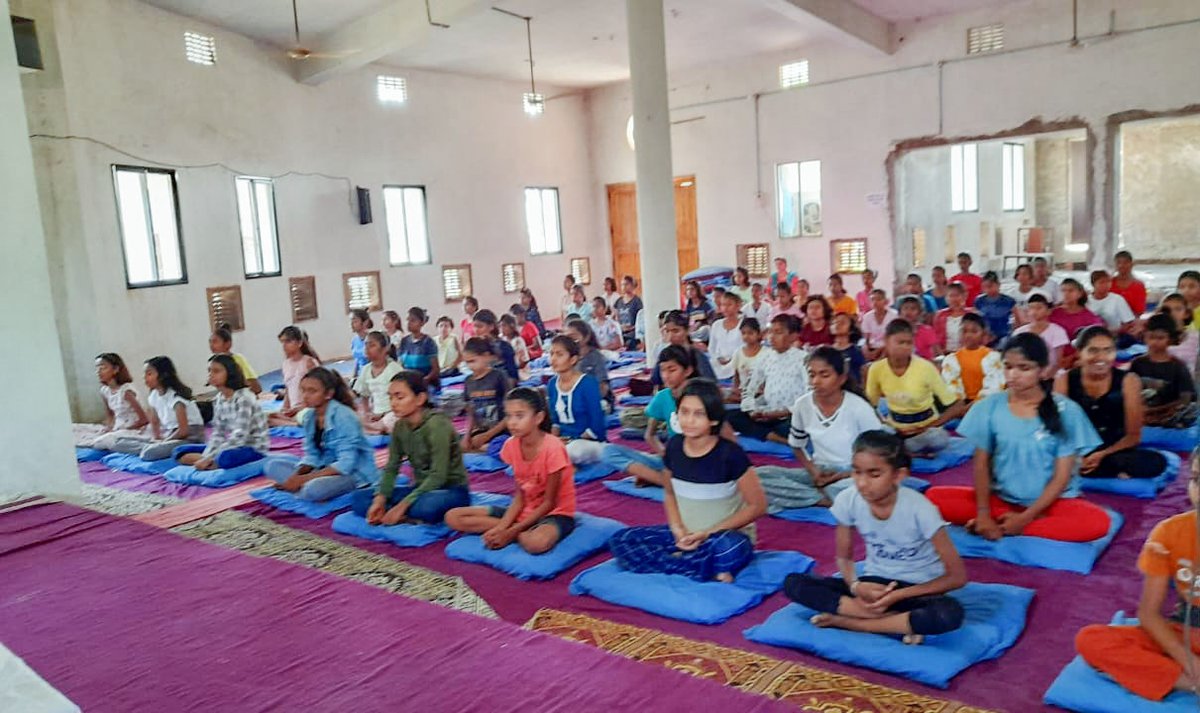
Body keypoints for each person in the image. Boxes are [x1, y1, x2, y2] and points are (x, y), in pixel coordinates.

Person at [783, 430, 967, 643]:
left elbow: (957, 577)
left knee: (948, 613)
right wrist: (855, 586)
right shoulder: (848, 500)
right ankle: (894, 623)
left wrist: (897, 596)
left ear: (898, 476)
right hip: (873, 585)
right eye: (857, 472)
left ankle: (852, 623)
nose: (862, 483)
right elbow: (844, 557)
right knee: (793, 582)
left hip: (915, 590)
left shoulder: (921, 509)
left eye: (874, 474)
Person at [925, 333, 1111, 542]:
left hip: (1051, 503)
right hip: (1001, 500)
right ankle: (1004, 521)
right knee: (932, 498)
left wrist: (1024, 520)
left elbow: (1062, 478)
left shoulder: (1066, 411)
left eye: (1024, 368)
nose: (1013, 375)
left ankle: (1017, 525)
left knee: (1098, 522)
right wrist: (984, 514)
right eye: (1008, 366)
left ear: (1042, 370)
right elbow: (981, 465)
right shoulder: (989, 406)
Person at [609, 380, 767, 583]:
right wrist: (677, 530)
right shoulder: (674, 447)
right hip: (685, 535)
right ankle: (697, 566)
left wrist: (706, 533)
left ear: (713, 419)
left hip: (722, 536)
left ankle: (687, 563)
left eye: (698, 414)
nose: (689, 420)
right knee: (621, 541)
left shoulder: (730, 454)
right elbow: (669, 492)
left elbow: (758, 506)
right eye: (684, 412)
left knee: (729, 549)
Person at [1074, 465, 1200, 702]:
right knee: (1091, 639)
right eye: (1196, 479)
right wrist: (1188, 662)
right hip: (1184, 630)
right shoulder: (1168, 532)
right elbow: (1149, 613)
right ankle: (1186, 683)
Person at [446, 387, 577, 554]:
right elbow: (520, 498)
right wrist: (501, 528)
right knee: (453, 517)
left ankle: (520, 532)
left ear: (538, 417)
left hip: (554, 513)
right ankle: (520, 532)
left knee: (536, 543)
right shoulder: (510, 445)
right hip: (524, 510)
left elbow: (549, 503)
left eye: (519, 416)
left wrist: (510, 532)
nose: (512, 422)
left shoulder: (553, 448)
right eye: (508, 416)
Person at [755, 347, 883, 511]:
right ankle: (821, 498)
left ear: (841, 378)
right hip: (821, 470)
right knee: (759, 476)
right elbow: (796, 444)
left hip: (856, 473)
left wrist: (844, 475)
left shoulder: (858, 407)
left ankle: (810, 496)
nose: (816, 381)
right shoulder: (802, 405)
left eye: (824, 375)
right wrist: (813, 471)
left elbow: (880, 454)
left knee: (869, 487)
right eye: (812, 375)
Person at [351, 371, 470, 525]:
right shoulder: (400, 426)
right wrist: (380, 499)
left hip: (451, 491)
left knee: (429, 507)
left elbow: (438, 476)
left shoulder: (437, 425)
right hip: (419, 490)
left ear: (420, 398)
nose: (393, 403)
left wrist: (403, 505)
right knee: (359, 498)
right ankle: (404, 515)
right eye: (391, 397)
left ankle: (403, 514)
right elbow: (392, 467)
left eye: (400, 397)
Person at [1056, 327, 1169, 479]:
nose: (1101, 357)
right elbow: (1058, 428)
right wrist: (1076, 457)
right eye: (1093, 350)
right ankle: (1105, 471)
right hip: (1076, 450)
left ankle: (1089, 470)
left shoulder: (1129, 381)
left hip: (1115, 450)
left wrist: (1102, 455)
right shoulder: (1064, 380)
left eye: (1108, 351)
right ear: (1079, 352)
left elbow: (1133, 436)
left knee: (1156, 462)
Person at [263, 367, 377, 502]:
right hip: (322, 467)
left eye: (312, 391)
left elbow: (346, 463)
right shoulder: (309, 416)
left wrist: (303, 479)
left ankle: (304, 490)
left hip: (353, 473)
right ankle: (301, 489)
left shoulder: (344, 416)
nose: (305, 396)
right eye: (303, 390)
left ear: (328, 394)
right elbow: (312, 454)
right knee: (271, 466)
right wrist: (296, 476)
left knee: (313, 490)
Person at [865, 320, 966, 456]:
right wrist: (885, 423)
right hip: (895, 428)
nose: (905, 347)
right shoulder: (876, 368)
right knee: (874, 433)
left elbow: (957, 405)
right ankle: (905, 449)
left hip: (926, 429)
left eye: (909, 343)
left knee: (938, 439)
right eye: (900, 342)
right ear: (886, 341)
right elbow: (870, 406)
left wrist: (927, 427)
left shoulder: (925, 367)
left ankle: (902, 450)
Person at [174, 355, 269, 470]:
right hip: (231, 445)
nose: (211, 375)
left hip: (252, 447)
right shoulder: (219, 399)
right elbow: (218, 433)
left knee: (225, 457)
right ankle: (211, 463)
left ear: (230, 373)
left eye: (216, 371)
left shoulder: (244, 398)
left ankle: (211, 462)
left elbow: (240, 436)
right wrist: (208, 455)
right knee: (178, 452)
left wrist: (210, 457)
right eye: (209, 371)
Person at [108, 356, 204, 460]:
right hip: (170, 435)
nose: (144, 377)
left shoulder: (176, 398)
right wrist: (156, 438)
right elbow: (154, 422)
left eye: (149, 374)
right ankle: (150, 448)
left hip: (190, 438)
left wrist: (165, 441)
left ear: (163, 375)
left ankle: (150, 449)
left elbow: (183, 430)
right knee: (118, 443)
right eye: (144, 374)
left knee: (150, 453)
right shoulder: (154, 395)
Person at [732, 314, 810, 443]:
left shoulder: (804, 359)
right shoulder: (765, 357)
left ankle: (768, 433)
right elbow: (749, 389)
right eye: (770, 332)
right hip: (766, 413)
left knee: (797, 425)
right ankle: (775, 438)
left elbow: (810, 397)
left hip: (790, 416)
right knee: (731, 416)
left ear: (793, 336)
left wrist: (781, 413)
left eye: (778, 332)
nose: (771, 337)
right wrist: (751, 409)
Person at [545, 335, 607, 465]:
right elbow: (555, 422)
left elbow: (597, 424)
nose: (553, 359)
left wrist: (573, 440)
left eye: (559, 354)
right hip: (564, 442)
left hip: (587, 443)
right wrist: (554, 440)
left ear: (573, 359)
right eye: (551, 354)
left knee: (572, 451)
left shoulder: (587, 383)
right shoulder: (551, 384)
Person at [1131, 314, 1198, 428]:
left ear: (1170, 339)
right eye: (1151, 337)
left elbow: (1185, 400)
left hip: (1169, 416)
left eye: (1160, 338)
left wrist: (1154, 411)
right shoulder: (1137, 363)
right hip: (1141, 417)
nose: (1155, 342)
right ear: (1145, 337)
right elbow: (1128, 391)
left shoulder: (1178, 366)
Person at [73, 352, 149, 449]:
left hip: (133, 429)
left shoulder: (126, 391)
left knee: (102, 441)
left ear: (115, 369)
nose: (99, 371)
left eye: (103, 368)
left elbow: (144, 420)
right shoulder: (104, 391)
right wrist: (109, 428)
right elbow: (110, 415)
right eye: (97, 368)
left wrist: (121, 429)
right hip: (118, 427)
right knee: (76, 429)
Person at [941, 313, 1005, 406]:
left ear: (983, 334)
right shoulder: (951, 359)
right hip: (961, 406)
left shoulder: (993, 357)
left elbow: (994, 386)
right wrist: (960, 405)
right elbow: (951, 384)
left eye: (974, 331)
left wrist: (975, 405)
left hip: (986, 404)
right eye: (964, 331)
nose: (968, 335)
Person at [460, 338, 510, 453]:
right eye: (467, 362)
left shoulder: (499, 376)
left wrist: (487, 436)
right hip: (482, 431)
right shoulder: (468, 381)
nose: (470, 366)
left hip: (501, 430)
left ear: (486, 356)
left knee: (503, 447)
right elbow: (471, 413)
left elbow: (510, 413)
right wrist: (467, 436)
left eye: (473, 361)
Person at [266, 326, 322, 427]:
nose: (284, 346)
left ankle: (295, 423)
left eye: (288, 342)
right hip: (294, 410)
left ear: (299, 343)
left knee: (308, 417)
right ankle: (292, 422)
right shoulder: (286, 364)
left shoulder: (309, 362)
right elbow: (288, 389)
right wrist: (284, 409)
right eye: (282, 342)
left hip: (308, 409)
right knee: (267, 417)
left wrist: (302, 407)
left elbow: (319, 390)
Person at [354, 331, 403, 435]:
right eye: (365, 345)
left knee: (392, 420)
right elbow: (364, 396)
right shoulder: (365, 370)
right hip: (375, 414)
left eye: (372, 345)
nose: (367, 349)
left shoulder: (394, 369)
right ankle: (376, 428)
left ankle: (376, 428)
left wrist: (383, 414)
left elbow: (401, 397)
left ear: (385, 348)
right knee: (356, 419)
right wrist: (367, 413)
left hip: (393, 412)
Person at [651, 311, 716, 386]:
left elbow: (710, 385)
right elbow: (655, 379)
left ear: (687, 330)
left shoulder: (696, 356)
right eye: (667, 331)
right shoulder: (666, 353)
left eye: (675, 331)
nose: (670, 335)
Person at [1011, 294, 1069, 380]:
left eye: (1038, 308)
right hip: (1025, 374)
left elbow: (1057, 361)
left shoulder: (1058, 331)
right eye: (1031, 308)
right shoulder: (1019, 332)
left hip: (1049, 375)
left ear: (1049, 311)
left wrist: (1045, 375)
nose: (1034, 311)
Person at [564, 319, 613, 406]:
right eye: (567, 337)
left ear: (586, 337)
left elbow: (603, 387)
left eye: (573, 336)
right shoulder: (569, 357)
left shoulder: (596, 357)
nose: (570, 340)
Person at [210, 323, 262, 394]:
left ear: (228, 344)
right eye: (210, 342)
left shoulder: (237, 359)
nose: (211, 345)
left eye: (215, 342)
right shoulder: (214, 361)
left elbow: (256, 387)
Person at [1089, 269, 1139, 341]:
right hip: (1091, 337)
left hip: (1115, 337)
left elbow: (1128, 323)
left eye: (1108, 282)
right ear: (1093, 284)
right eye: (1102, 282)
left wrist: (1112, 331)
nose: (1106, 285)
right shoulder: (1086, 301)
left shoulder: (1117, 299)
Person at [398, 307, 440, 390]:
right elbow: (401, 365)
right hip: (408, 384)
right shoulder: (404, 341)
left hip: (425, 384)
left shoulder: (428, 342)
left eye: (413, 320)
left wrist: (424, 381)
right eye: (408, 320)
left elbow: (435, 370)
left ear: (421, 323)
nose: (409, 323)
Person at [472, 309, 520, 381]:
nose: (476, 330)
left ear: (491, 326)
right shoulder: (476, 347)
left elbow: (513, 375)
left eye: (480, 326)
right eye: (474, 326)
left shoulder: (504, 347)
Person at [1160, 293, 1199, 375]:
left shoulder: (1196, 337)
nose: (1172, 313)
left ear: (1186, 313)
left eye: (1178, 309)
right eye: (1167, 310)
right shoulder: (1156, 337)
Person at [973, 271, 1016, 345]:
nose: (987, 290)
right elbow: (975, 320)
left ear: (998, 285)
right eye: (984, 287)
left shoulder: (1009, 301)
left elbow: (1017, 320)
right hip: (984, 337)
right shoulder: (979, 301)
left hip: (1004, 336)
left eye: (990, 286)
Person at [708, 292, 744, 381]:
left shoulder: (744, 324)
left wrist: (732, 360)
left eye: (729, 304)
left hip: (738, 363)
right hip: (718, 363)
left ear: (738, 306)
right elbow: (711, 348)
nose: (725, 308)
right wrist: (718, 358)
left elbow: (745, 347)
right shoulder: (716, 324)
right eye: (723, 305)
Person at [730, 318, 764, 403]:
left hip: (760, 393)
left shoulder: (767, 353)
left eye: (750, 333)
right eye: (743, 333)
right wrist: (736, 389)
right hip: (743, 392)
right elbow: (736, 376)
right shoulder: (738, 352)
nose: (746, 336)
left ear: (759, 334)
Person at [897, 296, 940, 360]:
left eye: (913, 309)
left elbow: (938, 354)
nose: (908, 312)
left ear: (920, 313)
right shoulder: (895, 332)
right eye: (905, 308)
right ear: (900, 312)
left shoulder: (927, 331)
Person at [830, 312, 867, 388]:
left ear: (851, 330)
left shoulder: (856, 351)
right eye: (834, 322)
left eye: (842, 323)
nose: (837, 325)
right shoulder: (828, 351)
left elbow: (863, 371)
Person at [860, 289, 898, 361]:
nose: (875, 302)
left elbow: (894, 337)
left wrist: (880, 350)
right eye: (872, 299)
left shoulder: (894, 315)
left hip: (888, 347)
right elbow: (866, 338)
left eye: (878, 299)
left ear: (886, 301)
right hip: (872, 347)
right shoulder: (867, 316)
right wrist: (867, 350)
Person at [933, 283, 971, 353]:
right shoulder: (940, 315)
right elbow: (935, 338)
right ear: (946, 298)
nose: (954, 299)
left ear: (964, 296)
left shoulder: (972, 314)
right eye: (951, 296)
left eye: (957, 295)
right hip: (945, 354)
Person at [1110, 250, 1147, 317]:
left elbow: (1139, 311)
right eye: (1118, 262)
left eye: (1125, 262)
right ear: (1115, 265)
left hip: (1132, 322)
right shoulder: (1109, 283)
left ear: (1132, 264)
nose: (1121, 265)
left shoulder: (1139, 286)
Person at [612, 276, 644, 350]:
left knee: (629, 343)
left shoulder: (637, 301)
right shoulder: (619, 301)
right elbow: (614, 316)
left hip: (632, 333)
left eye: (626, 284)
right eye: (622, 284)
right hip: (621, 332)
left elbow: (641, 319)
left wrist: (631, 328)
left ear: (632, 285)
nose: (624, 287)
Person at [348, 310, 373, 379]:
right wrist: (353, 377)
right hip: (360, 376)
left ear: (365, 322)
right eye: (351, 321)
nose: (351, 324)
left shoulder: (371, 339)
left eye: (355, 321)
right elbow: (357, 360)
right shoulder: (354, 340)